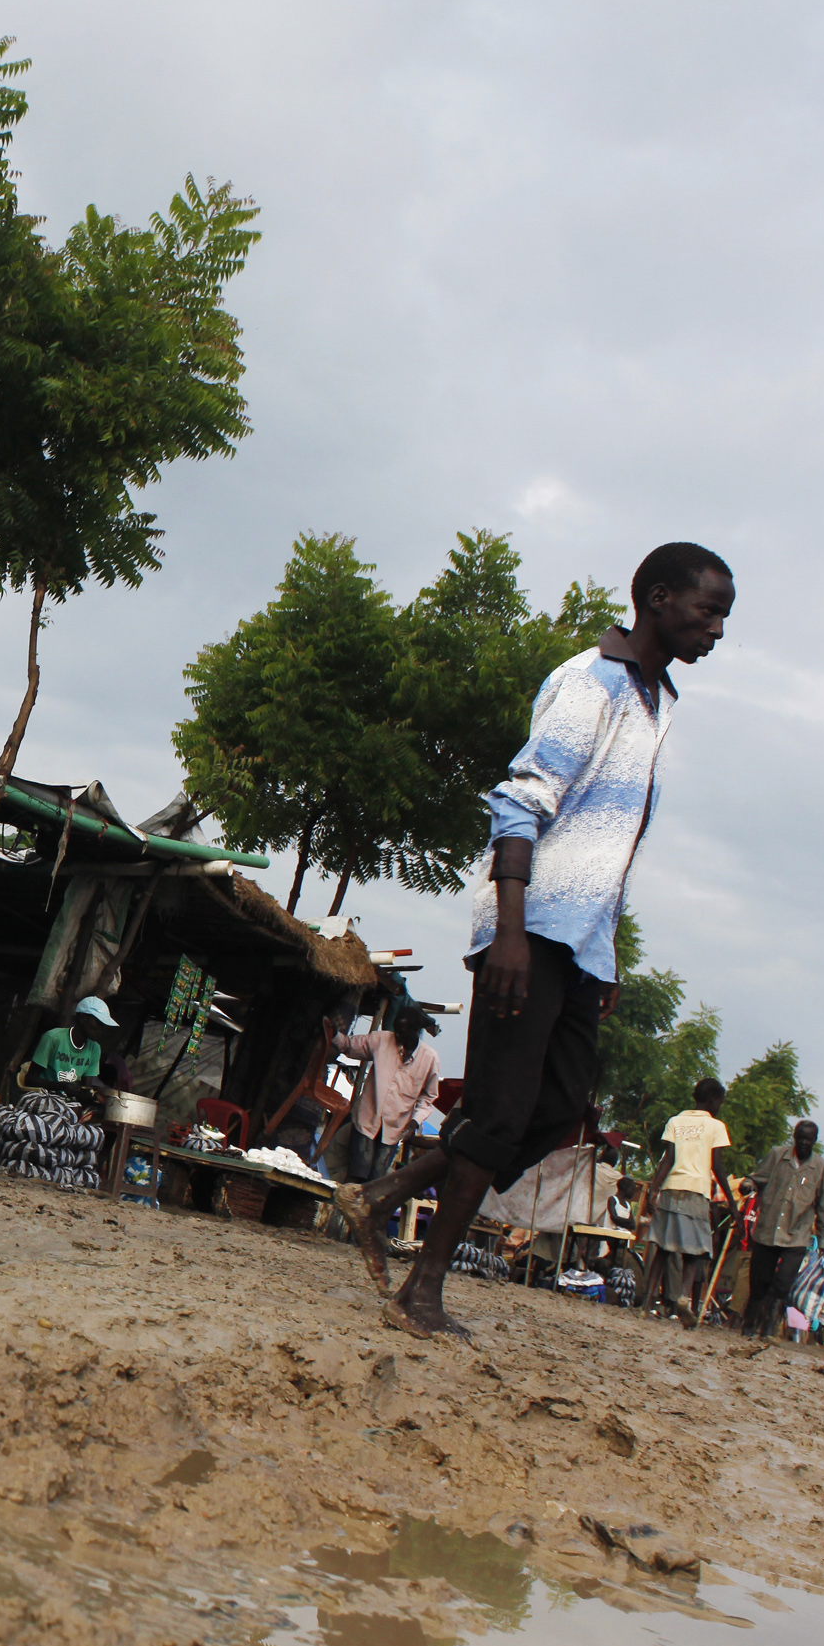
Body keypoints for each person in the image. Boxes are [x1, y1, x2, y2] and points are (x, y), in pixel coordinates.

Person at [341, 542, 735, 1340]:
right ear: (659, 599)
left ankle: (384, 1195)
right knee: (497, 1113)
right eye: (709, 609)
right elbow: (519, 801)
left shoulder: (659, 700)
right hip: (530, 929)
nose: (719, 630)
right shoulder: (591, 683)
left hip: (579, 944)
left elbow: (613, 844)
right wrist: (512, 935)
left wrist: (605, 955)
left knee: (557, 1111)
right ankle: (421, 1290)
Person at [0, 998, 122, 1190]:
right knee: (45, 1129)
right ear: (82, 1018)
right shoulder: (53, 1038)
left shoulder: (94, 1049)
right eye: (98, 1023)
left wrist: (92, 1096)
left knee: (96, 1131)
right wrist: (61, 1086)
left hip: (69, 1104)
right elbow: (31, 1078)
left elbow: (87, 1086)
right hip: (44, 1098)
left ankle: (79, 1174)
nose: (101, 1029)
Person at [639, 1078, 734, 1327]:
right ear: (713, 1100)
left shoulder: (676, 1121)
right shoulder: (716, 1126)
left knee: (662, 1246)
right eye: (720, 1101)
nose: (720, 1106)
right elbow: (718, 1167)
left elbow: (668, 1159)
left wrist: (653, 1189)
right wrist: (732, 1203)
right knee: (697, 1251)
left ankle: (647, 1304)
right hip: (696, 1193)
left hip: (670, 1190)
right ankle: (683, 1298)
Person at [327, 1005, 444, 1188]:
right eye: (396, 1029)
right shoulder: (381, 1040)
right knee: (355, 1178)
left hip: (394, 1130)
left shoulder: (430, 1059)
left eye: (402, 1031)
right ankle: (338, 1213)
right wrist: (334, 1033)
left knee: (374, 1184)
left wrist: (414, 1122)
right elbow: (348, 1046)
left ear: (415, 1031)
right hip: (366, 1122)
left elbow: (428, 1097)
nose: (397, 1035)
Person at [743, 1119, 824, 1338]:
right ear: (794, 1136)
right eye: (800, 1137)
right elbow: (759, 1178)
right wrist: (749, 1184)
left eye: (808, 1139)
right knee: (759, 1282)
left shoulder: (820, 1168)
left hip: (797, 1235)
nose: (803, 1143)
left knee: (782, 1283)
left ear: (814, 1141)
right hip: (768, 1230)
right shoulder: (777, 1155)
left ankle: (769, 1327)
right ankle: (749, 1326)